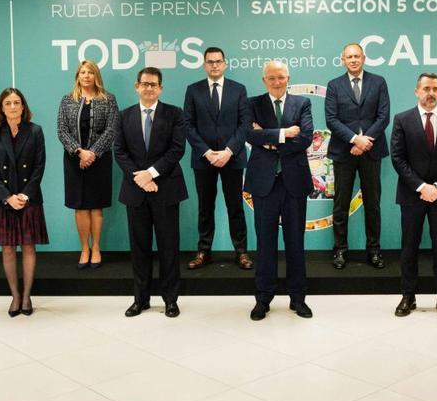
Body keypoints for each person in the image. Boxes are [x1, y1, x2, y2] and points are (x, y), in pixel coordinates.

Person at [390, 73, 437, 319]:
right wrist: (422, 187)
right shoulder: (402, 119)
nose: (430, 93)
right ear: (416, 91)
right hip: (412, 195)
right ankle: (407, 296)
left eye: (435, 88)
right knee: (409, 248)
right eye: (425, 88)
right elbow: (398, 158)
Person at [245, 61, 315, 321]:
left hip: (293, 181)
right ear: (264, 80)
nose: (277, 82)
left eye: (281, 77)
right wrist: (285, 133)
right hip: (264, 182)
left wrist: (270, 140)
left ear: (289, 78)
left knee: (295, 242)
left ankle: (298, 298)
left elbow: (306, 137)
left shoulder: (302, 103)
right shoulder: (252, 104)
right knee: (265, 243)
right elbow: (249, 135)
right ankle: (263, 298)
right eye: (272, 78)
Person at [117, 68, 188, 318]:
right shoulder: (123, 116)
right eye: (145, 84)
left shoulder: (174, 114)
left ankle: (170, 299)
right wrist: (141, 178)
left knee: (169, 247)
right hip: (136, 191)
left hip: (166, 188)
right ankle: (141, 299)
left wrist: (152, 173)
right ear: (137, 86)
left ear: (161, 88)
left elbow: (177, 149)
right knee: (139, 248)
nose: (149, 88)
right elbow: (120, 152)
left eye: (154, 84)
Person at [183, 47, 253, 271]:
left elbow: (244, 125)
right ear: (204, 64)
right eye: (210, 62)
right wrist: (207, 152)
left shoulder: (238, 89)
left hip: (232, 158)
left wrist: (228, 151)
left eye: (218, 61)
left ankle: (241, 251)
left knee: (235, 207)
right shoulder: (193, 90)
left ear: (225, 64)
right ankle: (204, 251)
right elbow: (188, 125)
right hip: (204, 159)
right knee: (205, 207)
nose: (214, 65)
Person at [324, 43, 390, 270]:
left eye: (357, 56)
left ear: (364, 58)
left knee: (373, 203)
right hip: (344, 152)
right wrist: (354, 140)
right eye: (349, 56)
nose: (353, 60)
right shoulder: (334, 85)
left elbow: (383, 116)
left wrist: (364, 142)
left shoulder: (378, 82)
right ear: (342, 59)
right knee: (341, 204)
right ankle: (340, 250)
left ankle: (374, 250)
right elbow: (331, 119)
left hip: (371, 151)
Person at [0, 88, 48, 317]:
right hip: (3, 200)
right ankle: (15, 296)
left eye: (17, 102)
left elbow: (40, 166)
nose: (12, 106)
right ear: (1, 108)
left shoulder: (35, 131)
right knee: (8, 248)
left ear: (23, 106)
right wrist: (8, 197)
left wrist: (24, 195)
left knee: (29, 246)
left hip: (28, 199)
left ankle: (27, 296)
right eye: (8, 103)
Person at [56, 60, 119, 269]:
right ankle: (84, 248)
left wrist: (92, 153)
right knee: (80, 207)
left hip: (99, 160)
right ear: (77, 76)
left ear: (96, 76)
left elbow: (112, 129)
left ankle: (97, 248)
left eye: (90, 72)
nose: (86, 76)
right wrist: (79, 152)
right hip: (74, 160)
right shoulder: (67, 100)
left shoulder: (108, 99)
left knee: (96, 206)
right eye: (83, 72)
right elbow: (61, 130)